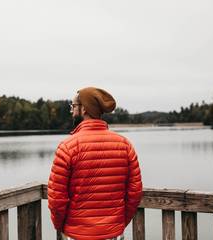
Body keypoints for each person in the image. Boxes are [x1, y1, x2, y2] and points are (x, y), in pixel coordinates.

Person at [48, 87, 143, 240]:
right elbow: (134, 193)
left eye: (73, 107)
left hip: (77, 234)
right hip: (114, 234)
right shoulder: (125, 145)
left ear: (84, 109)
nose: (72, 111)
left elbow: (56, 199)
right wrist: (119, 223)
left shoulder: (67, 147)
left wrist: (61, 227)